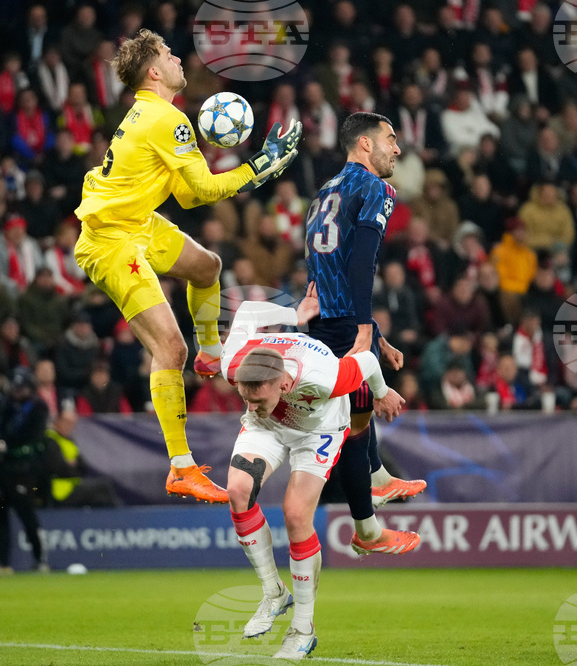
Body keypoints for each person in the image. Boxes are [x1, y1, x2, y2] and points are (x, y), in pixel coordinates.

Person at [72, 30, 302, 503]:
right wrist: (260, 165)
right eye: (169, 54)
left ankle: (212, 353)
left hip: (134, 222)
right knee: (169, 351)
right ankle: (181, 467)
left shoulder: (152, 115)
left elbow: (189, 195)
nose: (179, 58)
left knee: (207, 267)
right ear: (154, 71)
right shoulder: (167, 119)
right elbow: (210, 191)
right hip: (111, 241)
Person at [223, 301, 416, 660]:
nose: (249, 403)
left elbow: (370, 362)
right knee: (237, 490)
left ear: (283, 382)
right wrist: (292, 315)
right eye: (245, 396)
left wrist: (380, 393)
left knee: (296, 517)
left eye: (257, 396)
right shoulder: (235, 365)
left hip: (319, 431)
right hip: (270, 425)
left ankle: (303, 629)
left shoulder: (324, 375)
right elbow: (248, 311)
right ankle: (273, 592)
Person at [304, 112, 427, 536]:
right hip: (343, 326)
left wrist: (376, 333)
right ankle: (367, 529)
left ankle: (377, 482)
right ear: (365, 145)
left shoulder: (324, 191)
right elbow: (361, 264)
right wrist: (363, 329)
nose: (397, 148)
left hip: (322, 323)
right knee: (356, 425)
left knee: (355, 421)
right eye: (390, 139)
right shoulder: (376, 188)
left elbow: (328, 269)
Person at [0, 367, 49, 572]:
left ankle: (40, 559)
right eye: (16, 388)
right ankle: (0, 561)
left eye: (22, 389)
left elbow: (31, 435)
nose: (17, 392)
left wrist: (1, 444)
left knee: (27, 514)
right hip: (5, 466)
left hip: (25, 468)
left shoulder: (38, 407)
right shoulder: (7, 406)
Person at [44, 409, 120, 507]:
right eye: (67, 423)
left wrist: (72, 466)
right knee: (103, 487)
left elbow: (83, 466)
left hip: (73, 484)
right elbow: (59, 469)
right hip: (60, 490)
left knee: (101, 495)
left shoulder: (68, 440)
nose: (70, 427)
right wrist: (72, 467)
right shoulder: (51, 440)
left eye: (72, 424)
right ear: (58, 421)